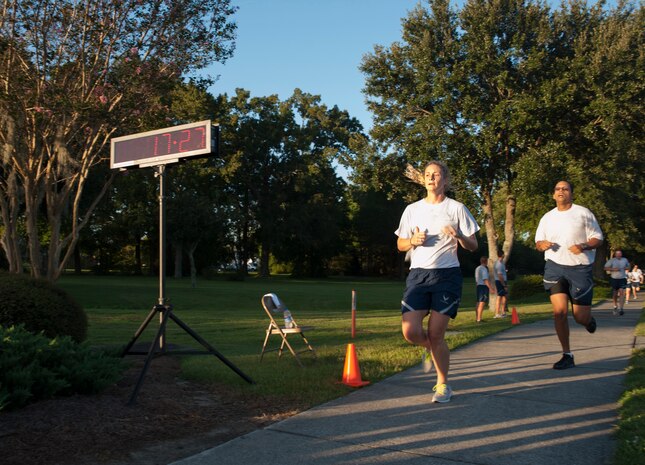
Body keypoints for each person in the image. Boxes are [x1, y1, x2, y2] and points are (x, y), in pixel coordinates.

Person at [395, 160, 479, 403]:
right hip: (418, 275)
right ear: (423, 179)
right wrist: (412, 241)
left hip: (447, 276)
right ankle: (429, 349)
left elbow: (473, 246)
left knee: (435, 333)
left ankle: (443, 385)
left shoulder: (457, 209)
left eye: (437, 174)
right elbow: (400, 244)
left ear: (446, 180)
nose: (431, 178)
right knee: (410, 332)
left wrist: (460, 235)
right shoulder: (412, 210)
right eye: (428, 174)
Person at [535, 180, 603, 370]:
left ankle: (588, 321)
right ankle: (567, 354)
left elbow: (598, 238)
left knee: (580, 316)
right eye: (557, 189)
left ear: (571, 193)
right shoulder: (547, 217)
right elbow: (538, 242)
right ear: (553, 194)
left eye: (565, 189)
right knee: (560, 313)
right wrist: (542, 245)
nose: (561, 191)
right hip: (555, 267)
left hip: (580, 269)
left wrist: (583, 245)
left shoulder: (583, 213)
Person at [604, 250, 630, 315]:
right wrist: (613, 269)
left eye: (620, 253)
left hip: (622, 278)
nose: (619, 255)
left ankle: (621, 308)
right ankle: (615, 306)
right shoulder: (612, 260)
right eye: (617, 254)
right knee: (615, 294)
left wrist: (626, 268)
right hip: (614, 279)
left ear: (621, 254)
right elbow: (605, 268)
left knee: (622, 293)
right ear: (615, 255)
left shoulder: (625, 260)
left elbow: (629, 267)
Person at [475, 256, 495, 323]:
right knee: (482, 302)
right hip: (483, 287)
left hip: (478, 286)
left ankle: (477, 317)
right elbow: (485, 280)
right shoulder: (484, 269)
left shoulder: (477, 268)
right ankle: (479, 319)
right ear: (486, 261)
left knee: (478, 302)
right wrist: (491, 288)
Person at [493, 251, 509, 318]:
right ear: (502, 255)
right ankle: (497, 313)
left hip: (503, 280)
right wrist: (504, 285)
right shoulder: (498, 263)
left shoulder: (502, 263)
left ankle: (503, 312)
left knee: (504, 297)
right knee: (499, 297)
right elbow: (499, 275)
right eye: (503, 254)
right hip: (500, 281)